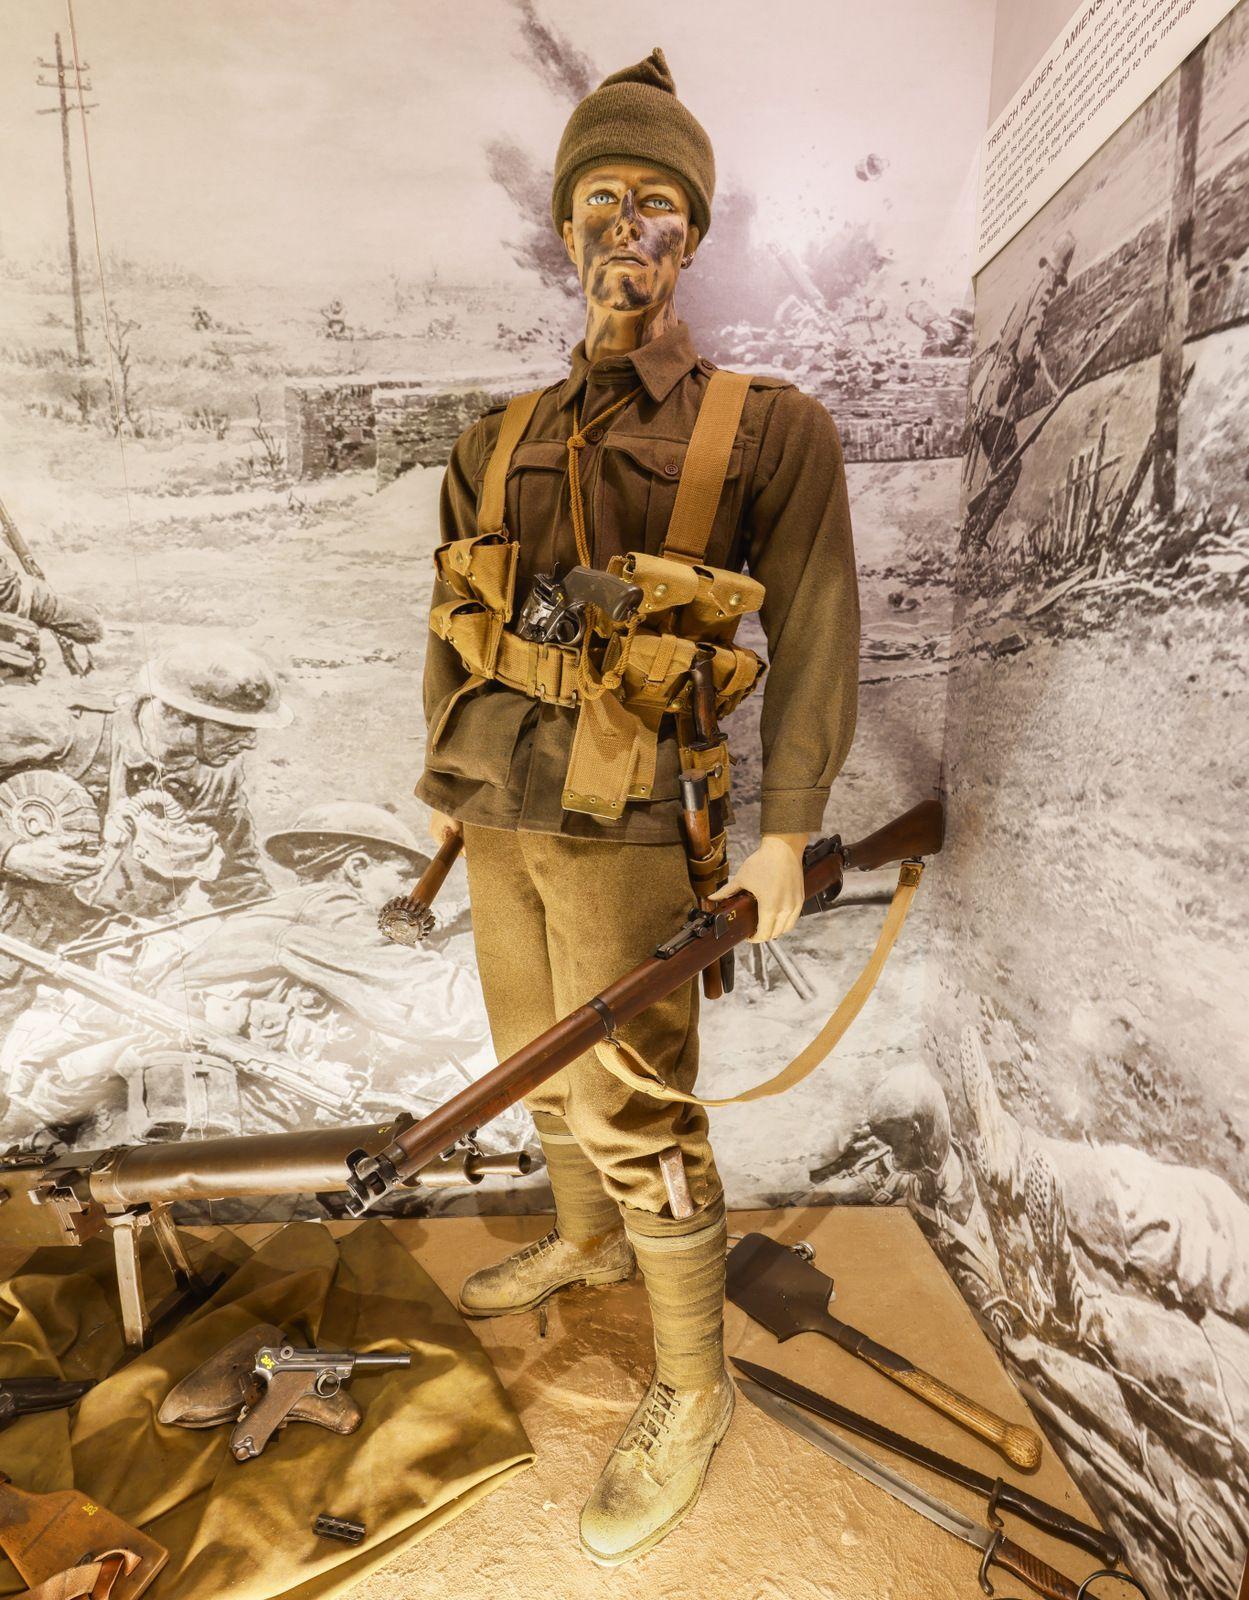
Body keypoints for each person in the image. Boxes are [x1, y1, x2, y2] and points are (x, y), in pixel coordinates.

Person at [415, 48, 859, 1563]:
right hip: (503, 812)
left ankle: (689, 1379)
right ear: (563, 229)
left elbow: (815, 623)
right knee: (528, 1058)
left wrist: (791, 825)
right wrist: (450, 793)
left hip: (632, 823)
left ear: (695, 234)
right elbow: (453, 630)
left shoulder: (767, 428)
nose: (626, 224)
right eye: (599, 197)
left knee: (637, 1100)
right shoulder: (496, 440)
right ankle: (581, 1239)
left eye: (657, 201)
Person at [0, 637, 287, 1029]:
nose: (251, 742)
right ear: (179, 716)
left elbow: (240, 878)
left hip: (108, 957)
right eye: (236, 728)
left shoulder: (218, 773)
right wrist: (13, 855)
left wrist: (273, 947)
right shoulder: (64, 729)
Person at [964, 232, 1075, 549]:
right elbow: (1025, 349)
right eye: (1058, 279)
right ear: (1055, 274)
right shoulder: (1040, 294)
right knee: (1009, 474)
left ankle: (970, 531)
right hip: (999, 401)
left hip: (989, 396)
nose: (1055, 287)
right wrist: (1036, 356)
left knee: (1001, 470)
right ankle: (973, 540)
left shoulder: (1030, 288)